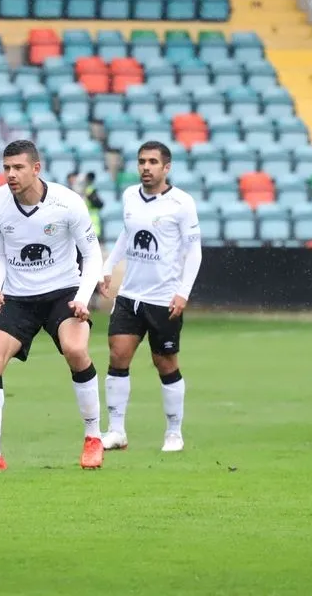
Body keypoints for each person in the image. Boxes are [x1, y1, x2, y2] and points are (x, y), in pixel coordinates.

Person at [0, 139, 104, 472]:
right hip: (18, 297)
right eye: (6, 168)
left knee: (75, 350)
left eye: (18, 168)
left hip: (63, 292)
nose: (11, 175)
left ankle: (93, 437)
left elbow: (92, 255)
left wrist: (83, 299)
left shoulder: (67, 203)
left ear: (36, 168)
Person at [97, 140, 203, 454]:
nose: (146, 167)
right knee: (118, 355)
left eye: (153, 162)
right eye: (142, 161)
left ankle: (174, 433)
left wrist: (183, 292)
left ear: (166, 167)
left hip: (163, 299)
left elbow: (194, 251)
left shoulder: (182, 203)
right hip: (130, 295)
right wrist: (107, 265)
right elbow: (126, 235)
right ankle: (116, 431)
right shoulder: (130, 195)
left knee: (165, 362)